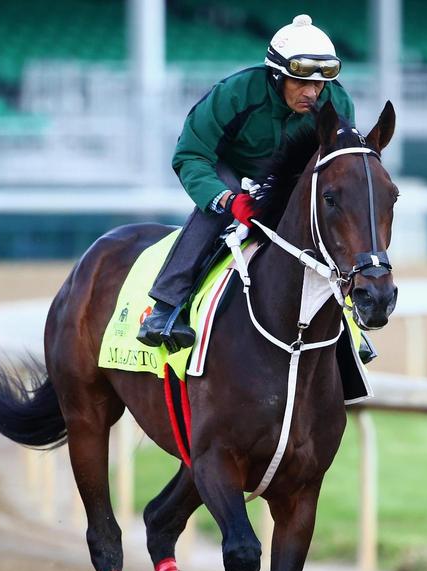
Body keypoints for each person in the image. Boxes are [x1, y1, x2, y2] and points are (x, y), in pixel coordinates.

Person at [137, 14, 356, 351]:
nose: (312, 94)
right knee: (214, 215)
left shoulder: (337, 102)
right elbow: (191, 155)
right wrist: (225, 198)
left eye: (319, 84)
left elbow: (338, 166)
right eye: (301, 83)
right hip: (232, 173)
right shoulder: (234, 94)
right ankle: (166, 305)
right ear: (276, 75)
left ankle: (347, 322)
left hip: (291, 180)